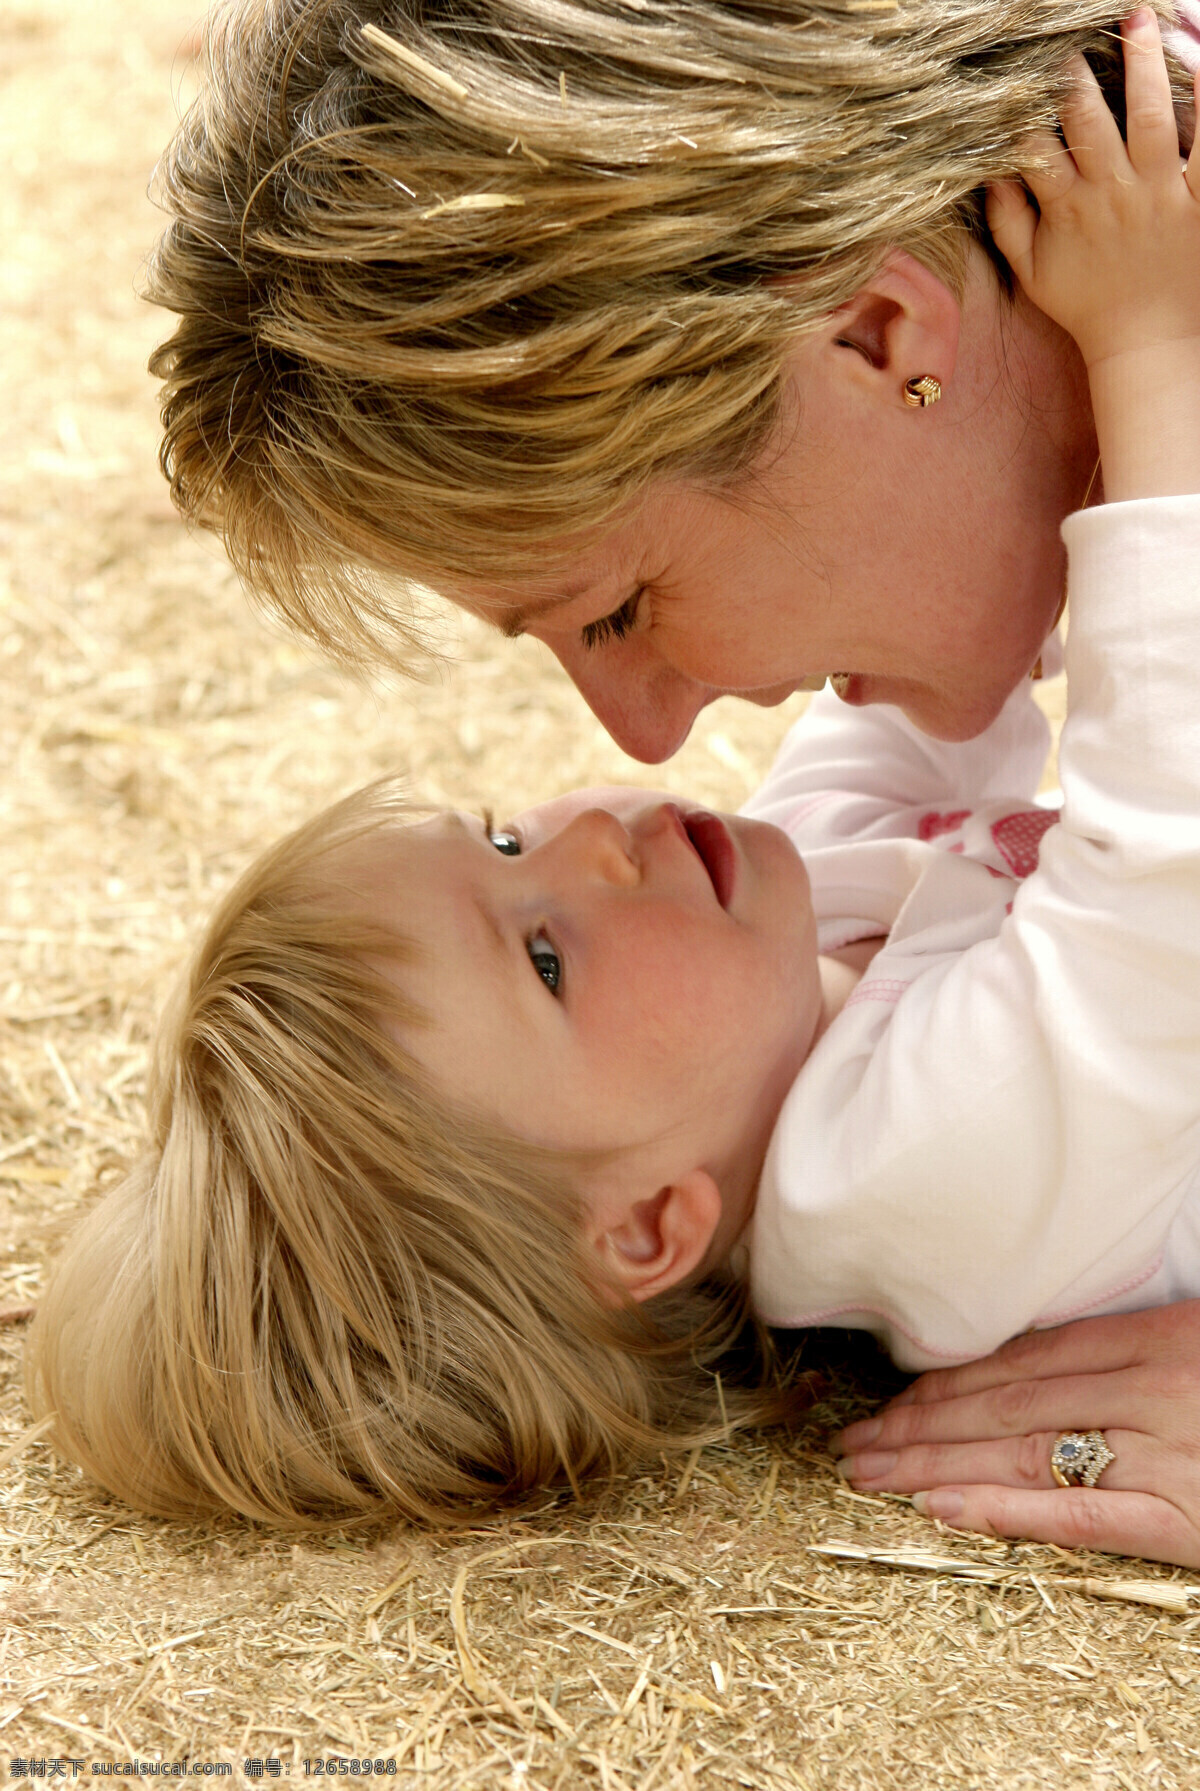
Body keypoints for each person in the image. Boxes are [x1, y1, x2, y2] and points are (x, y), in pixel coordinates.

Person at [31, 27, 1200, 1541]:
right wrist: (1148, 356)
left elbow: (931, 758)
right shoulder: (899, 1172)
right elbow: (1163, 869)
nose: (631, 762)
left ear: (877, 337)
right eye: (540, 953)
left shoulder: (788, 960)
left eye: (620, 606)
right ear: (649, 1227)